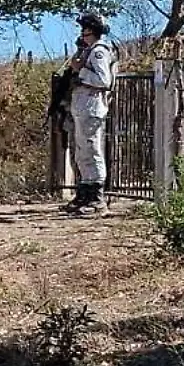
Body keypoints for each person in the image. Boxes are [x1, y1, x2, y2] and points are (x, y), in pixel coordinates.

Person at [63, 12, 117, 215]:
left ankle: (97, 197)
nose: (82, 33)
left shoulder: (99, 52)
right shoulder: (88, 51)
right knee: (82, 151)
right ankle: (85, 192)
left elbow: (104, 80)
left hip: (92, 107)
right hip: (83, 106)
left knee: (92, 150)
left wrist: (82, 71)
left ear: (92, 30)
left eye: (85, 29)